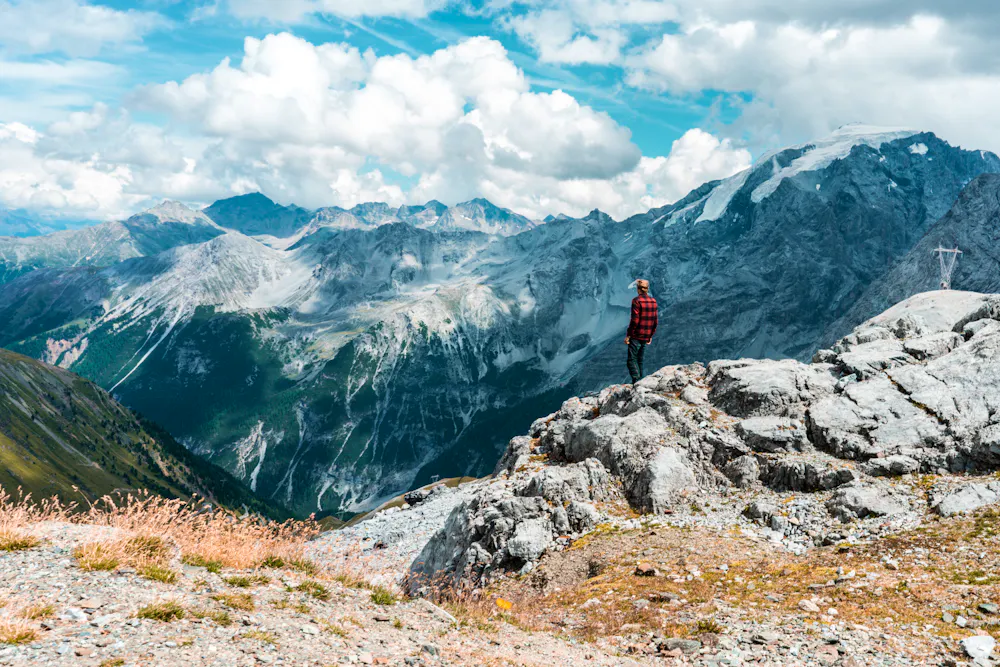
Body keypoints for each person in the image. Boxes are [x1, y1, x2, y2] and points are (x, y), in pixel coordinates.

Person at [625, 279, 657, 384]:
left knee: (631, 360)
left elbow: (635, 320)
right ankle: (640, 382)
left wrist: (629, 335)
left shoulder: (636, 301)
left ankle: (636, 380)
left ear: (638, 289)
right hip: (646, 335)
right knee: (640, 360)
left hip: (636, 335)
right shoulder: (653, 301)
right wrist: (650, 335)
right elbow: (655, 321)